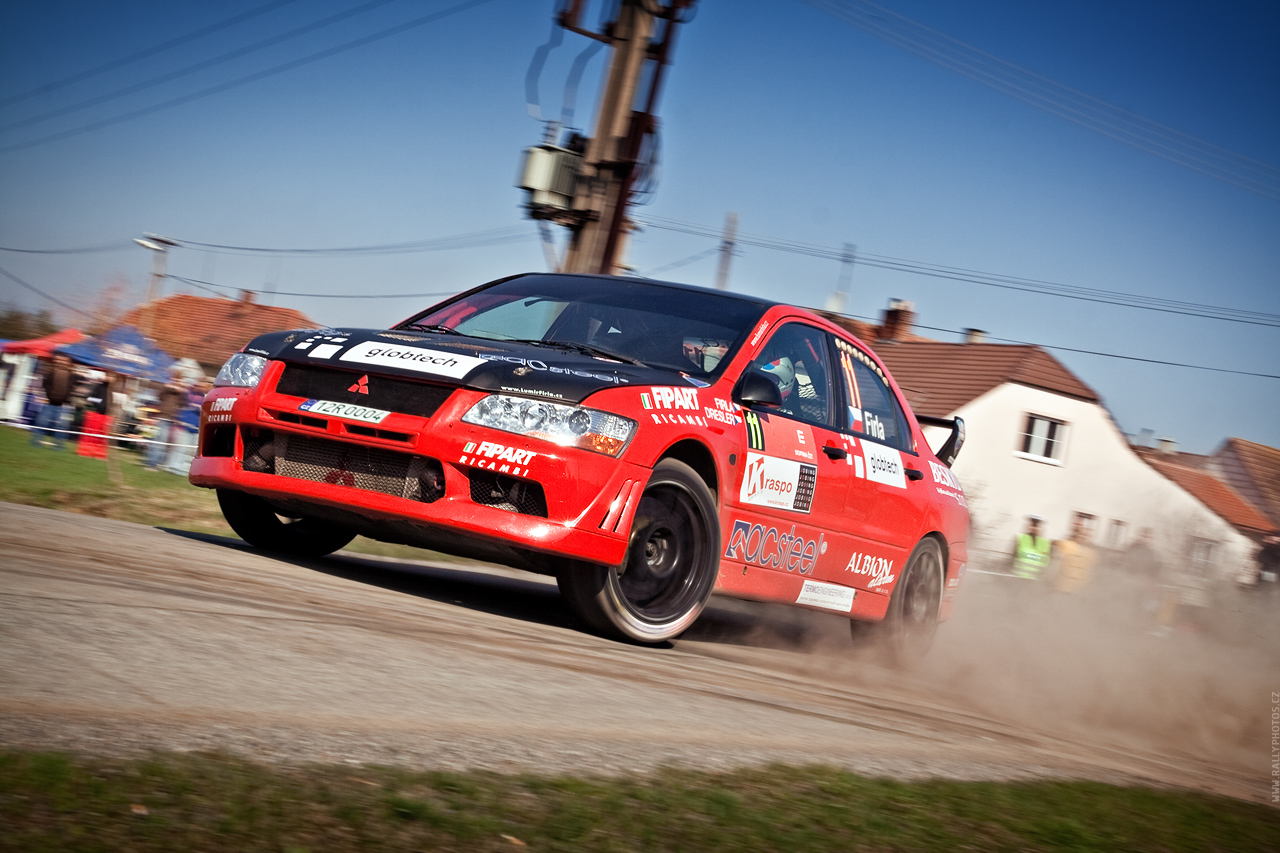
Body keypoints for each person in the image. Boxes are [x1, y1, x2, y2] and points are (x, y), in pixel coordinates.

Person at [30, 353, 75, 449]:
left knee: (61, 427)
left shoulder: (71, 375)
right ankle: (35, 443)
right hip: (50, 403)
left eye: (64, 360)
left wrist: (66, 398)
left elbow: (71, 389)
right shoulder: (50, 372)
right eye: (59, 360)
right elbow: (45, 385)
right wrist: (49, 396)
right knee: (41, 424)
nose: (61, 362)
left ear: (68, 362)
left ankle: (58, 447)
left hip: (64, 405)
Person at [146, 370, 187, 469]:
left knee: (165, 442)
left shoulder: (181, 392)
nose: (176, 382)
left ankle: (159, 462)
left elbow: (182, 404)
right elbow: (159, 397)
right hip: (162, 417)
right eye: (175, 379)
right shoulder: (166, 388)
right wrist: (167, 388)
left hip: (172, 419)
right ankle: (152, 463)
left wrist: (182, 392)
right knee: (159, 440)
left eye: (178, 380)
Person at [1051, 516, 1097, 594]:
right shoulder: (1068, 545)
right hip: (1063, 586)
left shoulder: (1091, 553)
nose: (1084, 537)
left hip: (1078, 589)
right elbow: (1056, 544)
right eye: (1081, 535)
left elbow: (1092, 571)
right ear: (1077, 536)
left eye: (1086, 536)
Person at [1010, 515, 1051, 579]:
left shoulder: (1045, 543)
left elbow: (1046, 563)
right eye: (1032, 525)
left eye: (1037, 525)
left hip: (1035, 582)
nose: (1034, 527)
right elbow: (1011, 560)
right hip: (1017, 578)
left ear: (1041, 527)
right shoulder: (1020, 538)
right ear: (1029, 526)